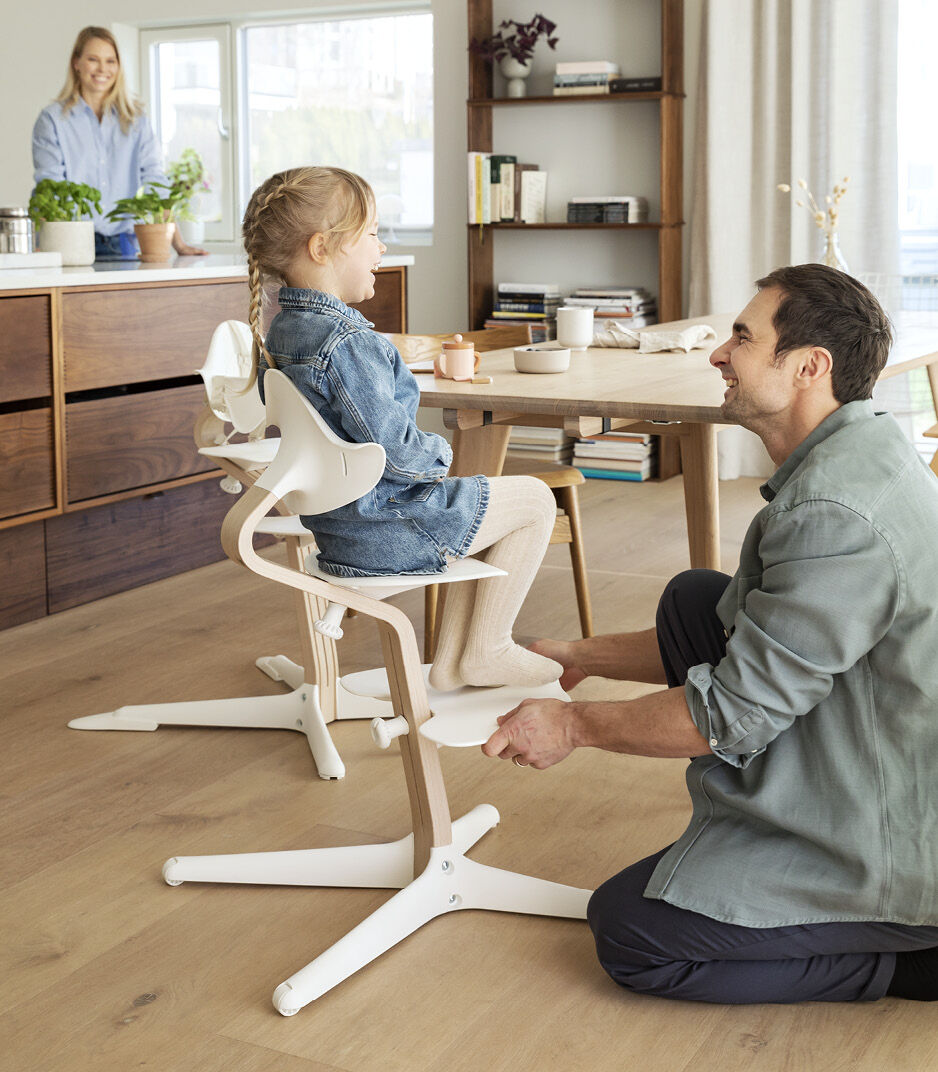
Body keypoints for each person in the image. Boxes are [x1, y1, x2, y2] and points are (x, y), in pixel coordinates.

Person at [483, 264, 938, 1004]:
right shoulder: (862, 452)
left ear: (808, 368)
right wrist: (573, 657)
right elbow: (757, 638)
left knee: (630, 934)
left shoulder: (836, 518)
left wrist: (571, 727)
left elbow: (727, 714)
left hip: (902, 831)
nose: (718, 354)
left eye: (742, 338)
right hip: (884, 731)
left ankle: (907, 961)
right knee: (698, 599)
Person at [241, 164, 562, 692]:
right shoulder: (344, 341)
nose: (381, 247)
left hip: (340, 531)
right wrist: (442, 453)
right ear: (322, 248)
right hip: (387, 531)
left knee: (488, 504)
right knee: (532, 500)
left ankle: (460, 661)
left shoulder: (284, 332)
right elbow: (398, 455)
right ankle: (489, 648)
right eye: (371, 234)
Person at [32, 26, 206, 260]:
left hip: (126, 244)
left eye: (110, 61)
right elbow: (50, 187)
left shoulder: (136, 121)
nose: (102, 69)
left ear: (118, 66)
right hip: (72, 244)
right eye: (93, 59)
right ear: (76, 62)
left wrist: (178, 243)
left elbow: (155, 181)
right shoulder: (53, 120)